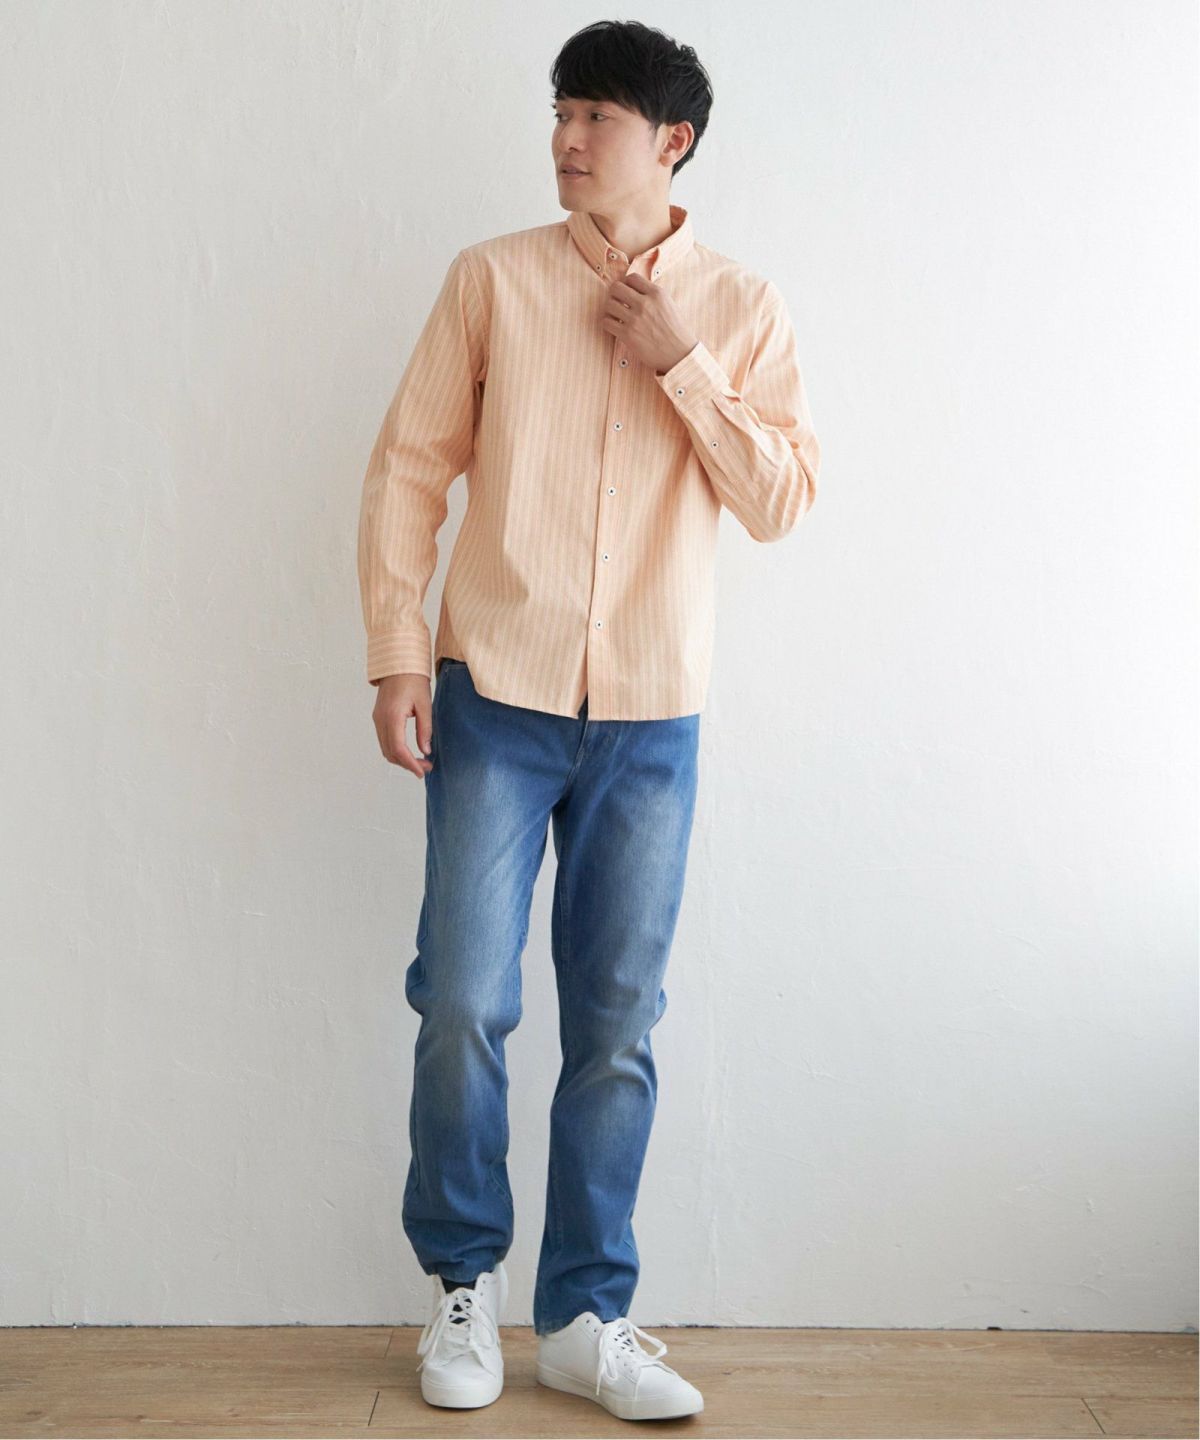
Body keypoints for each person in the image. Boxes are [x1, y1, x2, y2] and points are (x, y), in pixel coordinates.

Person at [356, 18, 820, 1422]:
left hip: (651, 717)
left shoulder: (740, 305)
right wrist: (396, 655)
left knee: (617, 1025)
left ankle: (581, 1316)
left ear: (672, 141)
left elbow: (781, 500)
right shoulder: (492, 280)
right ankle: (462, 1288)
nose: (566, 139)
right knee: (463, 1001)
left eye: (596, 117)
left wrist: (683, 362)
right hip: (494, 698)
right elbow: (408, 469)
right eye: (561, 112)